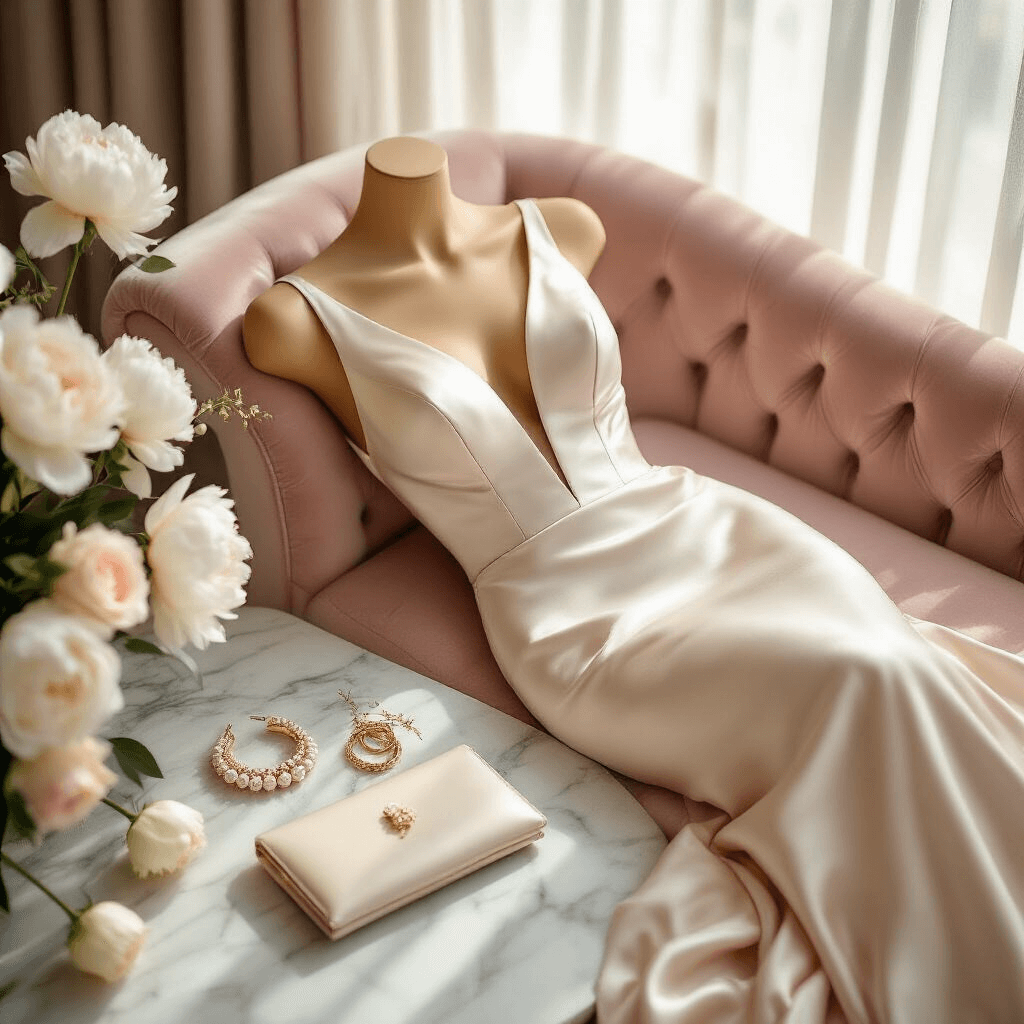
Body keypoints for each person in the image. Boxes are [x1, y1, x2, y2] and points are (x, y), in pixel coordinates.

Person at [244, 136, 1024, 1023]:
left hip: (709, 527)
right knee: (864, 677)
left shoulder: (558, 228)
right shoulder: (297, 321)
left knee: (894, 662)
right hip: (574, 617)